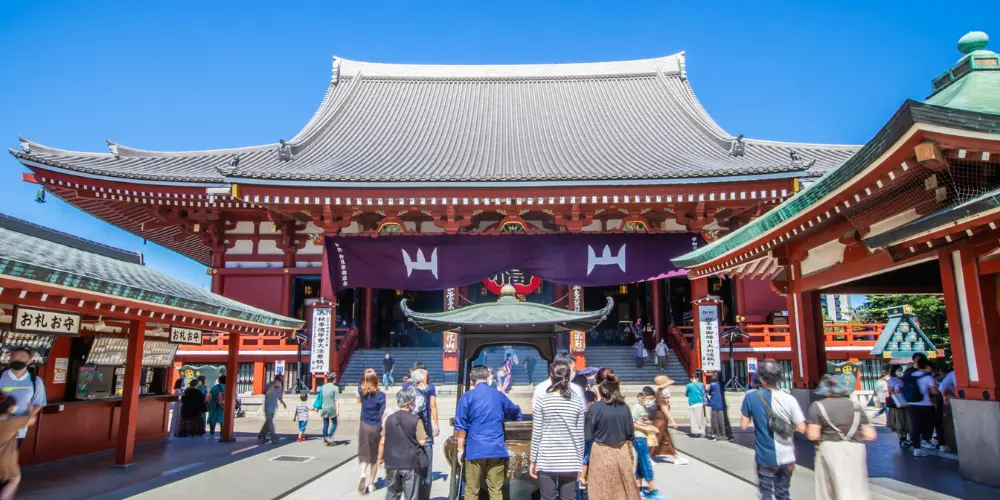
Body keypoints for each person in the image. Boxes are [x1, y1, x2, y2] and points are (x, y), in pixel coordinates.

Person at [740, 359, 806, 500]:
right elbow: (802, 427)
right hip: (787, 455)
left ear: (761, 378)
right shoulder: (789, 399)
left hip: (764, 455)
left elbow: (743, 425)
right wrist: (785, 426)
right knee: (783, 493)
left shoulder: (751, 397)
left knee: (766, 493)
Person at [455, 365, 522, 500]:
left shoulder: (466, 397)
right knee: (496, 490)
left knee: (472, 490)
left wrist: (460, 449)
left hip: (475, 449)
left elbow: (461, 426)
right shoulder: (498, 395)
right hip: (496, 448)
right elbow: (514, 411)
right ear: (487, 377)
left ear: (472, 380)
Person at [806, 373, 877, 500]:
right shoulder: (856, 406)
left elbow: (813, 435)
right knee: (856, 486)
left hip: (830, 448)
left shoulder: (818, 406)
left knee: (830, 488)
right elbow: (870, 435)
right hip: (856, 450)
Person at [530, 360, 586, 500]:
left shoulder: (542, 400)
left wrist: (533, 460)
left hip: (547, 457)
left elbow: (537, 433)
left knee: (547, 497)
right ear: (568, 376)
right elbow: (580, 436)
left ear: (551, 375)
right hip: (571, 458)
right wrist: (579, 462)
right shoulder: (576, 401)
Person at [583, 371, 640, 500]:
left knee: (601, 490)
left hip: (601, 452)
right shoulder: (625, 407)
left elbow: (588, 435)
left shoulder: (596, 408)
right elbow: (630, 433)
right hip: (623, 451)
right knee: (624, 490)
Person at [378, 387, 428, 500]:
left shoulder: (389, 419)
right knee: (411, 495)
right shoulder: (415, 419)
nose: (415, 403)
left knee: (392, 493)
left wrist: (379, 458)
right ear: (409, 403)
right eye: (413, 401)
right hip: (410, 462)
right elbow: (422, 441)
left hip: (392, 463)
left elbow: (382, 442)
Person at [0, 347, 46, 447]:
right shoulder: (1, 376)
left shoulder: (35, 381)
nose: (18, 359)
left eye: (22, 357)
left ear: (29, 360)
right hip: (1, 426)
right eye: (15, 356)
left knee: (10, 457)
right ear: (10, 358)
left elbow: (39, 403)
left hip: (19, 429)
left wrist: (27, 417)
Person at [0, 394, 36, 500]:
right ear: (10, 409)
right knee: (15, 478)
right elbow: (32, 420)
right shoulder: (13, 422)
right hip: (5, 459)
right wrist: (30, 410)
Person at [410, 368, 439, 500]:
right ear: (420, 381)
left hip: (413, 436)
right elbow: (432, 406)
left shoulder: (407, 390)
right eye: (425, 379)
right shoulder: (423, 392)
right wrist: (436, 424)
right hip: (423, 435)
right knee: (426, 469)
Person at [357, 368, 386, 494]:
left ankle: (362, 473)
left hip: (364, 425)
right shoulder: (381, 396)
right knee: (374, 456)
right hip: (376, 426)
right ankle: (371, 484)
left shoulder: (361, 392)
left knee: (364, 452)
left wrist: (366, 373)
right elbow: (382, 413)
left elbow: (360, 384)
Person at [650, 376, 688, 465]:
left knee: (666, 438)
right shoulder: (661, 396)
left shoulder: (659, 394)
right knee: (657, 437)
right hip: (660, 419)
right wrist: (672, 420)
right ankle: (649, 456)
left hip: (661, 419)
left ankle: (675, 456)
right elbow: (664, 409)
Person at [906, 357, 940, 456]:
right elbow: (934, 391)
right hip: (925, 404)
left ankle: (917, 448)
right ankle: (926, 439)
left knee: (915, 425)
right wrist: (939, 391)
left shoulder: (912, 375)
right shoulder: (928, 377)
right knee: (931, 423)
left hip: (912, 404)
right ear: (926, 366)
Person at [630, 388, 661, 497]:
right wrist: (648, 428)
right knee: (645, 460)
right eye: (649, 399)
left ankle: (638, 486)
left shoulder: (646, 408)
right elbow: (632, 423)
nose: (650, 401)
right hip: (638, 436)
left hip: (644, 436)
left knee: (640, 462)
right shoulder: (637, 407)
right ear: (642, 398)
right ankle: (652, 486)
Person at [885, 364, 910, 447]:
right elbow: (890, 391)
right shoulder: (891, 380)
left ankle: (905, 437)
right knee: (899, 421)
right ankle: (901, 438)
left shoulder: (903, 380)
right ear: (894, 371)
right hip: (897, 403)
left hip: (906, 402)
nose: (900, 372)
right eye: (899, 370)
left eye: (901, 370)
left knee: (906, 421)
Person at [313, 372, 341, 446]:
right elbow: (336, 400)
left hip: (324, 408)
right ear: (334, 379)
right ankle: (329, 437)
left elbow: (320, 398)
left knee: (326, 424)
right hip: (331, 408)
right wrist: (338, 410)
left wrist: (317, 408)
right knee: (334, 423)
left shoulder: (323, 387)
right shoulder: (335, 388)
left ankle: (325, 437)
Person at [257, 376, 286, 443]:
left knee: (268, 422)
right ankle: (273, 436)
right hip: (268, 406)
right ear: (275, 380)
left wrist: (283, 402)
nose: (279, 383)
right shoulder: (269, 385)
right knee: (269, 422)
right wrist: (272, 386)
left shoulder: (279, 388)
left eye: (280, 381)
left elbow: (279, 397)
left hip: (273, 407)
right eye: (278, 381)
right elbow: (265, 393)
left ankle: (261, 435)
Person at [938, 367, 958, 454]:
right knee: (950, 424)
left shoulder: (953, 374)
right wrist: (945, 396)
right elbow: (942, 387)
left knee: (951, 424)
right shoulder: (953, 373)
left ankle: (953, 444)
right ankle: (952, 444)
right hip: (951, 402)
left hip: (953, 401)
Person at [684, 373, 707, 438]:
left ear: (691, 379)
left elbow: (686, 394)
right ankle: (702, 431)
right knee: (701, 418)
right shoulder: (701, 384)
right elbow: (704, 393)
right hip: (700, 403)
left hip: (693, 403)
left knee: (694, 419)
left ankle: (697, 432)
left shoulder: (689, 385)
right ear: (697, 379)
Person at [706, 372, 726, 441]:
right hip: (721, 403)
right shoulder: (722, 384)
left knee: (714, 420)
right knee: (721, 420)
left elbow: (709, 392)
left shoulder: (712, 385)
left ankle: (715, 434)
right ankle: (722, 434)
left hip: (714, 403)